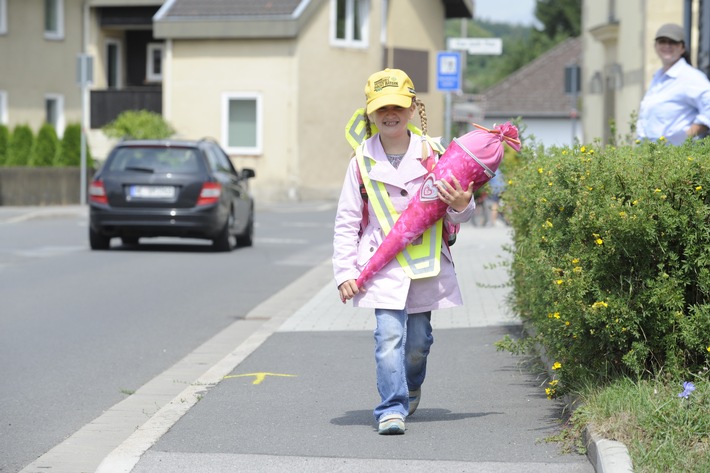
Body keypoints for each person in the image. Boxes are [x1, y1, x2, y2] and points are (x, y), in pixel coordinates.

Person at [332, 68, 475, 435]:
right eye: (382, 108)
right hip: (381, 265)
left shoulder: (435, 154)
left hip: (425, 264)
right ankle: (390, 408)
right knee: (387, 337)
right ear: (370, 113)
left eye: (397, 105)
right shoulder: (360, 161)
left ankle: (411, 384)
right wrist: (346, 272)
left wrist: (463, 202)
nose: (390, 114)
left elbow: (459, 210)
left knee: (417, 342)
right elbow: (347, 221)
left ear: (412, 108)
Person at [637, 23, 710, 145]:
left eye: (673, 42)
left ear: (682, 48)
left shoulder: (690, 77)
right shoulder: (658, 77)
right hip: (651, 153)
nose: (667, 46)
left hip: (675, 156)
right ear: (655, 46)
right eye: (662, 41)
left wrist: (685, 138)